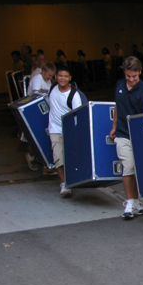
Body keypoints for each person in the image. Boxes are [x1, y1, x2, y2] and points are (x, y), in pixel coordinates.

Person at [110, 56, 143, 220]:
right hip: (123, 134)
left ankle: (136, 201)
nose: (131, 80)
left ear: (140, 73)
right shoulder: (120, 85)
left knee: (137, 170)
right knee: (127, 167)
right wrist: (114, 127)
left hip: (139, 136)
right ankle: (130, 202)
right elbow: (117, 106)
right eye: (128, 76)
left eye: (134, 76)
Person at [48, 65, 83, 197]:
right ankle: (65, 183)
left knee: (70, 159)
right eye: (60, 76)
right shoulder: (52, 88)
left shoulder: (74, 95)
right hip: (54, 129)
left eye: (65, 76)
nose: (62, 78)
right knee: (58, 157)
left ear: (70, 78)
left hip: (69, 131)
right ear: (56, 77)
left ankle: (72, 179)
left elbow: (78, 115)